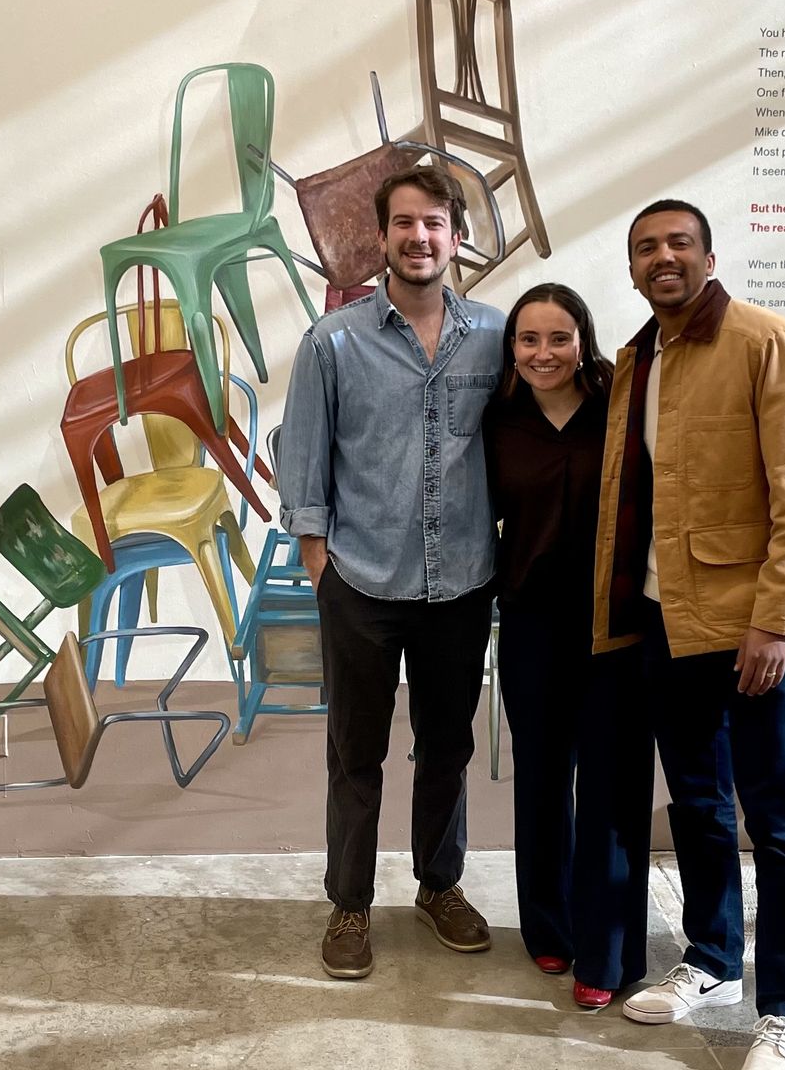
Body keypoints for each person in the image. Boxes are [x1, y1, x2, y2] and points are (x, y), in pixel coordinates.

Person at [594, 200, 785, 1070]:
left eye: (677, 244)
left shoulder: (765, 341)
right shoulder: (641, 358)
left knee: (776, 816)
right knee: (698, 804)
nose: (661, 258)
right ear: (632, 268)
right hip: (672, 621)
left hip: (757, 630)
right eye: (645, 248)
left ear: (707, 255)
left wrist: (777, 619)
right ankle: (711, 962)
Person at [276, 165, 507, 980]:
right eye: (404, 223)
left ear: (455, 235)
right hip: (363, 582)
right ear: (382, 238)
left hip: (463, 582)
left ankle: (439, 886)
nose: (420, 237)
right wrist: (317, 558)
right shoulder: (333, 341)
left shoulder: (495, 334)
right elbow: (301, 451)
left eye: (436, 223)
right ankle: (349, 901)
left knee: (446, 748)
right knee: (355, 753)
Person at [482, 284, 653, 1010]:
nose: (543, 354)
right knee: (544, 781)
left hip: (615, 627)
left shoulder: (621, 411)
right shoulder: (496, 421)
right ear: (511, 348)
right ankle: (546, 925)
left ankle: (608, 952)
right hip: (529, 625)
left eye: (558, 338)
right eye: (528, 339)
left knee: (612, 788)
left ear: (583, 338)